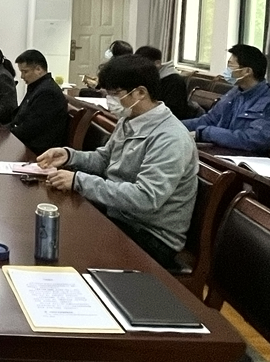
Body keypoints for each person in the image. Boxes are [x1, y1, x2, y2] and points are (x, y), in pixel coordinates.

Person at [38, 55, 197, 268]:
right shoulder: (129, 120)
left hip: (150, 235)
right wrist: (70, 156)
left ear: (140, 92)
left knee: (68, 248)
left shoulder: (170, 138)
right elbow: (105, 159)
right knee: (56, 227)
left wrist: (79, 181)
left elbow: (146, 198)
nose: (110, 100)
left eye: (115, 94)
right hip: (119, 215)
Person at [183, 44, 270, 153]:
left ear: (247, 71)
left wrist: (206, 133)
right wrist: (177, 125)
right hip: (223, 152)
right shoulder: (236, 92)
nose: (227, 70)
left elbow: (254, 140)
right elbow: (210, 120)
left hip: (252, 158)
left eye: (231, 66)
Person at [7, 49, 68, 155]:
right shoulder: (37, 87)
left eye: (25, 72)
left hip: (38, 151)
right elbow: (19, 117)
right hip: (28, 144)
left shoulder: (48, 93)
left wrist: (5, 134)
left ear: (38, 69)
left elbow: (30, 128)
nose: (22, 76)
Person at [134, 45, 199, 120]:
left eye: (142, 65)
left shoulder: (174, 81)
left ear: (157, 63)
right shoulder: (147, 78)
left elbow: (173, 112)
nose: (139, 69)